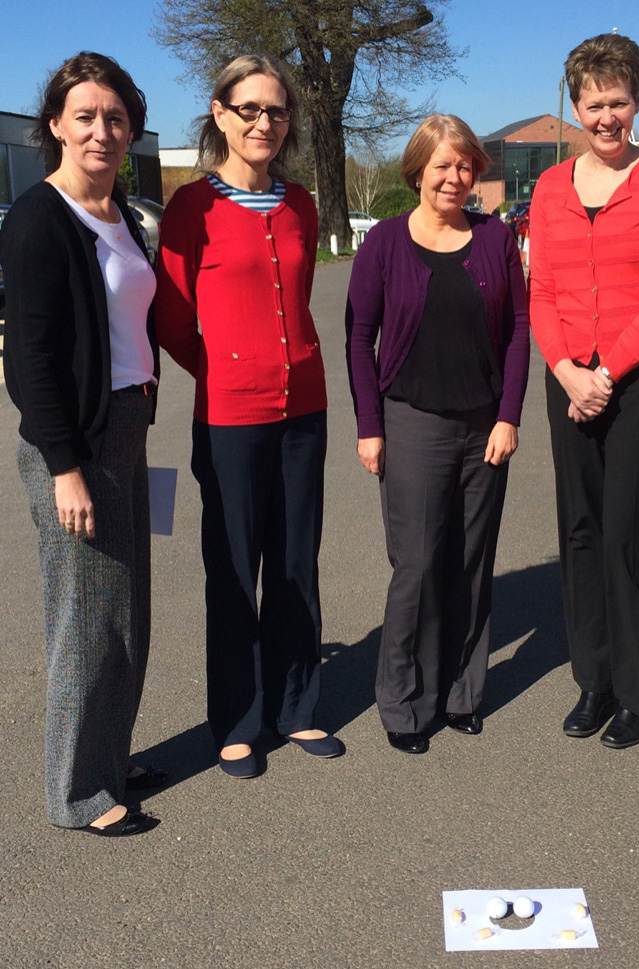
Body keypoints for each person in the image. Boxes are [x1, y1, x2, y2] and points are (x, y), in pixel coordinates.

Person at [155, 54, 343, 778]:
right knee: (235, 566)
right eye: (250, 109)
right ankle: (236, 716)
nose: (265, 122)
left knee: (296, 561)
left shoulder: (299, 204)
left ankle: (296, 707)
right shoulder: (189, 207)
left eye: (277, 111)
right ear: (220, 113)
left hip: (305, 408)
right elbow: (172, 319)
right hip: (230, 415)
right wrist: (226, 371)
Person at [1, 52, 161, 836]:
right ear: (57, 125)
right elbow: (28, 359)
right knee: (84, 617)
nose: (103, 130)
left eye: (116, 116)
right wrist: (64, 467)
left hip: (126, 428)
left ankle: (110, 758)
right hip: (74, 444)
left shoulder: (122, 214)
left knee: (127, 611)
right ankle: (76, 793)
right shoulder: (39, 218)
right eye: (86, 115)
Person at [528, 34, 639, 749]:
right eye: (593, 103)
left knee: (628, 529)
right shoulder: (548, 187)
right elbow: (539, 291)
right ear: (574, 107)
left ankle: (635, 690)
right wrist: (566, 368)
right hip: (569, 374)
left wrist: (604, 372)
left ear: (635, 102)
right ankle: (591, 679)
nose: (606, 117)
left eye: (618, 102)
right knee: (580, 527)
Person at [345, 114, 530, 754]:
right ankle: (403, 702)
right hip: (412, 421)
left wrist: (509, 415)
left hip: (484, 426)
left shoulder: (495, 239)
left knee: (470, 564)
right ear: (417, 170)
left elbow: (518, 331)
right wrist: (370, 426)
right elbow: (357, 337)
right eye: (441, 165)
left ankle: (461, 694)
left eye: (464, 165)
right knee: (418, 565)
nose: (453, 177)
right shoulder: (386, 244)